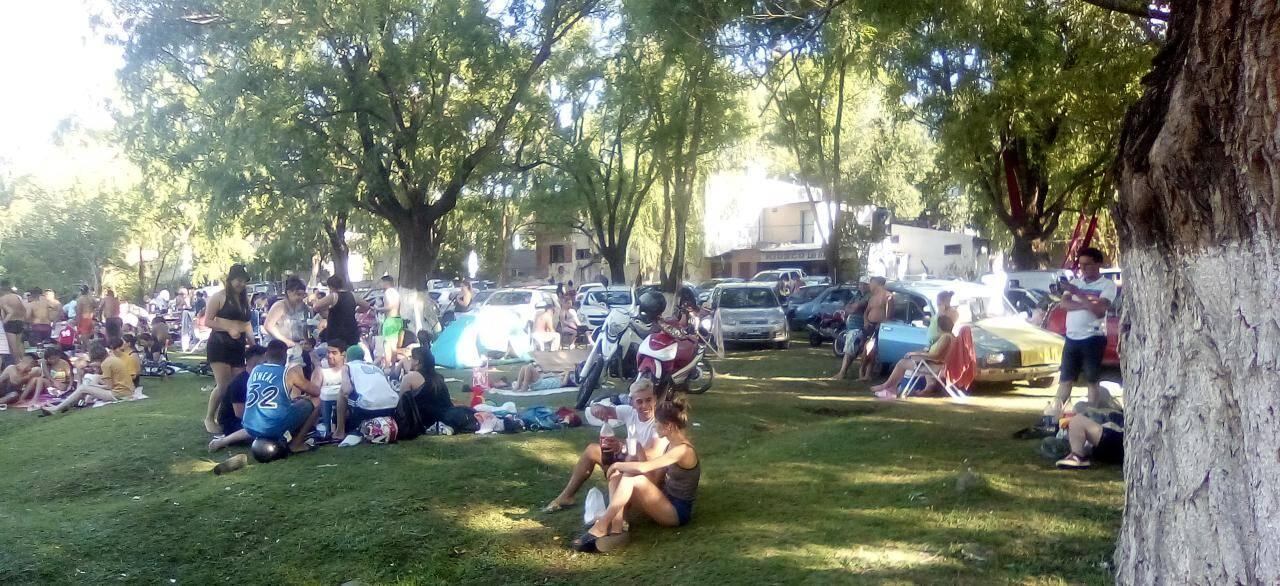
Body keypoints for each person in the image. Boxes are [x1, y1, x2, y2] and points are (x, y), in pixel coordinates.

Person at [573, 398, 700, 553]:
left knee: (631, 477)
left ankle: (602, 525)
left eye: (657, 423)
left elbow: (645, 467)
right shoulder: (670, 445)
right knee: (618, 477)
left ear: (669, 426)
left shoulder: (683, 450)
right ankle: (618, 528)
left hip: (676, 513)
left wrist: (617, 464)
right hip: (664, 500)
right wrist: (637, 449)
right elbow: (654, 479)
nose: (655, 425)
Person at [544, 378, 665, 513]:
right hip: (628, 462)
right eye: (639, 401)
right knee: (592, 450)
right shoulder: (630, 412)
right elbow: (597, 410)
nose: (644, 405)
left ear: (655, 399)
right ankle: (566, 496)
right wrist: (597, 408)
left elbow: (652, 455)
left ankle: (619, 519)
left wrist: (621, 447)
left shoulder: (660, 422)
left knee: (617, 472)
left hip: (646, 475)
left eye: (648, 400)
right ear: (632, 403)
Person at [1051, 248, 1118, 418]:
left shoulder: (1107, 285)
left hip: (1093, 338)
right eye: (1081, 265)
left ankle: (1091, 415)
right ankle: (1055, 415)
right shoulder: (1076, 282)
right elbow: (1064, 305)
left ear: (1098, 264)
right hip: (1072, 337)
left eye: (1087, 265)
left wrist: (1078, 294)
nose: (1083, 268)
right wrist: (1087, 303)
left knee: (1092, 379)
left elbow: (1099, 311)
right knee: (1066, 378)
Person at [240, 340, 321, 455]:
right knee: (317, 401)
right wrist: (317, 367)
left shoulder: (255, 370)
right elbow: (316, 391)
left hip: (249, 425)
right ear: (285, 356)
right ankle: (296, 444)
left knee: (293, 402)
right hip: (273, 425)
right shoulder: (288, 373)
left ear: (266, 355)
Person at [203, 264, 255, 434]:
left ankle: (231, 418)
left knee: (239, 383)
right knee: (223, 385)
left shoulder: (244, 300)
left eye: (243, 281)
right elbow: (208, 321)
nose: (241, 284)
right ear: (230, 280)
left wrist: (252, 342)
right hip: (220, 345)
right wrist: (228, 329)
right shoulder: (219, 297)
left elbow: (246, 323)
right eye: (238, 280)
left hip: (238, 346)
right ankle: (210, 418)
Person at [870, 314, 956, 399]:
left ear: (939, 326)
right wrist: (919, 354)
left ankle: (887, 386)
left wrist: (915, 354)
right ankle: (891, 388)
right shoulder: (950, 336)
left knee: (902, 363)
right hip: (937, 365)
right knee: (907, 362)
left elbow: (936, 356)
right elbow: (937, 355)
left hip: (935, 367)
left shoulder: (945, 337)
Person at [41, 341, 133, 415]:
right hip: (127, 390)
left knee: (83, 388)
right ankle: (70, 403)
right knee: (95, 377)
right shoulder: (112, 359)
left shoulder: (106, 364)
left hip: (120, 394)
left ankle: (56, 408)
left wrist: (91, 387)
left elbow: (109, 386)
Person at [207, 345, 268, 452]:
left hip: (251, 418)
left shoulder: (258, 378)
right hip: (233, 423)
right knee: (267, 429)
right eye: (266, 362)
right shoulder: (240, 383)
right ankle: (225, 441)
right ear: (256, 363)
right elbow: (240, 414)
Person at [336, 345, 401, 443]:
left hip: (368, 407)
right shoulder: (374, 367)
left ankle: (339, 432)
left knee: (341, 393)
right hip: (391, 406)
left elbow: (346, 390)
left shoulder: (347, 366)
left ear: (347, 357)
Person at [264, 277, 310, 365]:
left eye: (302, 295)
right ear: (288, 292)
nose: (300, 298)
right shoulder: (279, 306)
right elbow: (268, 326)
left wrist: (306, 341)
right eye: (297, 294)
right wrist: (287, 342)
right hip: (278, 348)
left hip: (296, 346)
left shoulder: (304, 308)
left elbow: (305, 327)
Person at [1055, 410, 1124, 470]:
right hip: (1117, 449)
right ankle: (1077, 455)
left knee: (1077, 420)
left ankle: (1077, 455)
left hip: (1120, 444)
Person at [312, 275, 368, 347]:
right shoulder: (352, 295)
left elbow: (316, 306)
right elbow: (366, 306)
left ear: (330, 286)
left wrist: (324, 312)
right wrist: (356, 311)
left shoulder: (333, 296)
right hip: (352, 332)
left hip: (336, 333)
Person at [832, 283, 871, 380]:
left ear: (868, 285)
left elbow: (857, 307)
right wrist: (852, 307)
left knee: (849, 351)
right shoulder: (857, 295)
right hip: (852, 327)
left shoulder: (869, 296)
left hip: (858, 327)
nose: (861, 286)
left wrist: (853, 307)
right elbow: (847, 307)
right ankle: (845, 372)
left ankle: (842, 373)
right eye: (860, 284)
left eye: (863, 284)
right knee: (851, 350)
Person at [858, 277, 893, 381]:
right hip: (869, 325)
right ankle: (863, 372)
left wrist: (881, 324)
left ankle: (866, 373)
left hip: (879, 327)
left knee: (871, 349)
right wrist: (865, 321)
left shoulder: (888, 296)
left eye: (871, 283)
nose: (869, 285)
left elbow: (889, 315)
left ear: (877, 284)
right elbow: (866, 312)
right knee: (866, 349)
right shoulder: (873, 297)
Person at [0, 280, 28, 365]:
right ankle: (23, 362)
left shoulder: (2, 299)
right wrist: (23, 320)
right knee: (19, 344)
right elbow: (24, 309)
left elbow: (7, 312)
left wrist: (4, 321)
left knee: (13, 346)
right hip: (20, 321)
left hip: (10, 322)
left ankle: (17, 363)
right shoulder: (17, 297)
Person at [378, 275, 403, 368]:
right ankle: (393, 366)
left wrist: (378, 309)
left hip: (390, 321)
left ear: (386, 283)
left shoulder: (388, 292)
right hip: (398, 320)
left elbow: (390, 306)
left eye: (382, 283)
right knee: (394, 346)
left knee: (388, 346)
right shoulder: (396, 293)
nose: (381, 285)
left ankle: (387, 366)